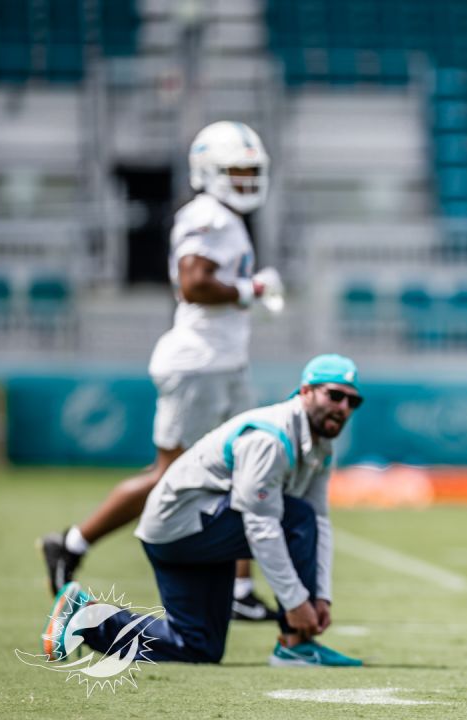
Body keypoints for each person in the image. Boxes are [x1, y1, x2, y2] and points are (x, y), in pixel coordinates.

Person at [41, 120, 285, 621]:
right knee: (170, 478)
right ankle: (72, 542)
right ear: (208, 172)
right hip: (198, 366)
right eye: (235, 170)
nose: (244, 179)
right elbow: (194, 284)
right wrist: (251, 291)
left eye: (249, 170)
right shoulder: (208, 216)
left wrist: (245, 293)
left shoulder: (225, 216)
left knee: (246, 470)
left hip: (223, 363)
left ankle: (238, 592)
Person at [41, 354, 363, 667]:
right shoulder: (270, 439)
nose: (344, 408)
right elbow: (262, 526)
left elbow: (321, 520)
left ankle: (84, 619)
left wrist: (321, 596)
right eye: (335, 395)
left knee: (196, 646)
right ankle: (297, 644)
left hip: (187, 533)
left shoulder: (320, 444)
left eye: (352, 402)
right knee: (295, 516)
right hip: (183, 528)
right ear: (306, 391)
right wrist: (296, 604)